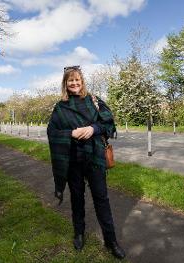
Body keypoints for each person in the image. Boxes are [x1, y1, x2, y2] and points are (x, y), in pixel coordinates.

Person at [47, 65, 126, 260]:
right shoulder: (60, 107)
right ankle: (79, 233)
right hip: (73, 160)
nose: (74, 83)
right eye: (70, 80)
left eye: (77, 80)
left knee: (102, 198)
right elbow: (52, 132)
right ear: (65, 84)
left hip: (95, 158)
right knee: (77, 198)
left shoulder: (94, 101)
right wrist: (70, 133)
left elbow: (109, 123)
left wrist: (93, 129)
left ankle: (111, 240)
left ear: (82, 81)